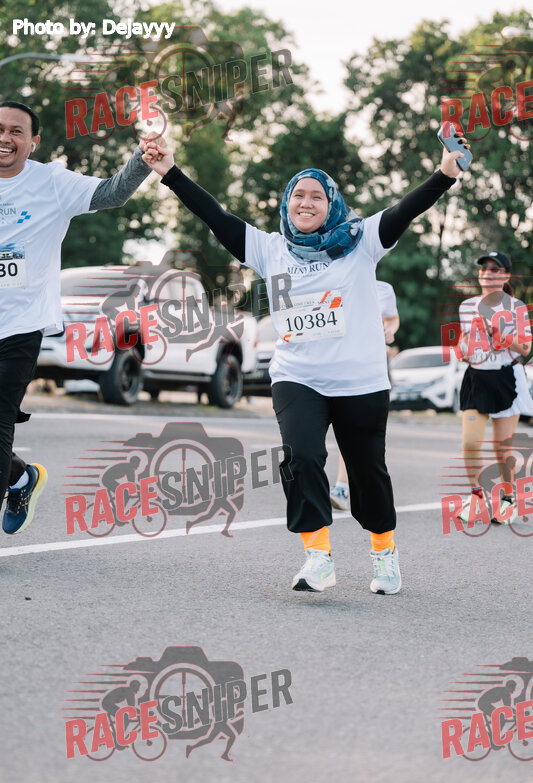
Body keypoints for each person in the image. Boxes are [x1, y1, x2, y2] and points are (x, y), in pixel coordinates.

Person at [141, 135, 469, 595]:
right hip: (298, 377)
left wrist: (444, 175)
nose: (307, 202)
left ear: (331, 204)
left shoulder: (362, 240)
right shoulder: (269, 248)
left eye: (317, 196)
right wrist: (171, 173)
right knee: (302, 457)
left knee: (367, 471)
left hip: (360, 380)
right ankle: (318, 557)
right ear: (287, 203)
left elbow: (404, 210)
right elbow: (216, 216)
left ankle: (384, 552)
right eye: (299, 195)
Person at [0, 100, 154, 535]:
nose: (5, 138)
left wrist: (142, 159)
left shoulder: (50, 182)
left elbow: (112, 193)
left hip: (19, 327)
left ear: (33, 142)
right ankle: (20, 477)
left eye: (16, 131)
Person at [457, 251, 533, 527]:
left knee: (503, 448)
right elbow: (464, 343)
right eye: (484, 269)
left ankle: (508, 499)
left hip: (506, 378)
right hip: (476, 377)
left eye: (494, 269)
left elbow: (525, 348)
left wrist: (497, 333)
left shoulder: (517, 307)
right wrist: (462, 348)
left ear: (506, 276)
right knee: (470, 442)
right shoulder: (467, 306)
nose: (487, 273)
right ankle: (476, 497)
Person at [330, 280, 399, 510]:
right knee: (346, 426)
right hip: (341, 362)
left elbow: (392, 318)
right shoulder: (335, 280)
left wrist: (390, 330)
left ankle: (363, 489)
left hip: (372, 367)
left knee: (365, 432)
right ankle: (342, 487)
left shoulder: (384, 289)